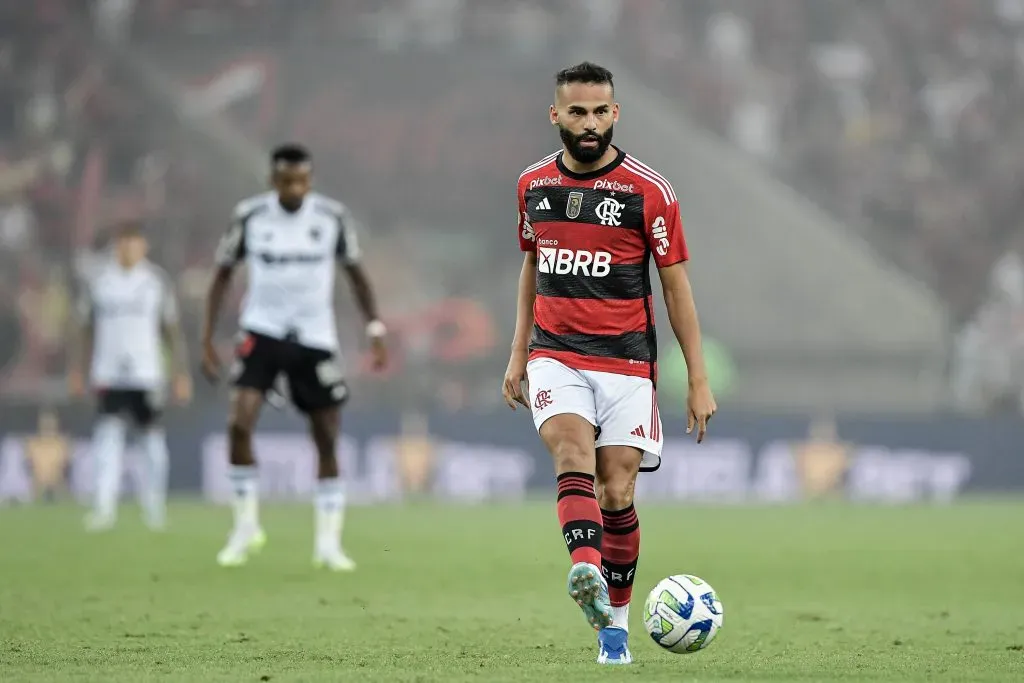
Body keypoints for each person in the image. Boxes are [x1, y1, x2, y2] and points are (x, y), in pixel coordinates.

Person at [501, 62, 717, 665]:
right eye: (577, 112)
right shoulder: (533, 186)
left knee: (617, 489)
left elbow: (676, 290)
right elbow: (531, 267)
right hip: (556, 354)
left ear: (615, 113)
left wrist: (696, 379)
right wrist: (519, 352)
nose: (590, 123)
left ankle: (613, 632)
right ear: (556, 116)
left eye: (600, 111)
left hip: (627, 364)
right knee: (571, 454)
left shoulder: (650, 192)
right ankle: (587, 570)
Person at [201, 144, 387, 571]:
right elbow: (222, 275)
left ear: (311, 179)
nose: (294, 189)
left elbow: (356, 275)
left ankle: (328, 543)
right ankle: (245, 527)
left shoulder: (331, 218)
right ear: (272, 181)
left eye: (301, 181)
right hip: (261, 331)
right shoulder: (250, 216)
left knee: (325, 434)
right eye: (286, 181)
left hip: (314, 337)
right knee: (238, 423)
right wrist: (207, 338)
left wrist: (375, 328)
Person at [68, 223, 193, 532]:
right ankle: (103, 510)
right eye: (123, 243)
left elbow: (171, 331)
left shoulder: (155, 281)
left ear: (144, 246)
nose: (128, 249)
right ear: (116, 246)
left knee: (151, 441)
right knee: (107, 440)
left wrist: (181, 373)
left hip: (146, 373)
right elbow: (85, 329)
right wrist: (77, 370)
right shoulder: (99, 281)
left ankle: (154, 509)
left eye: (134, 243)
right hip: (107, 371)